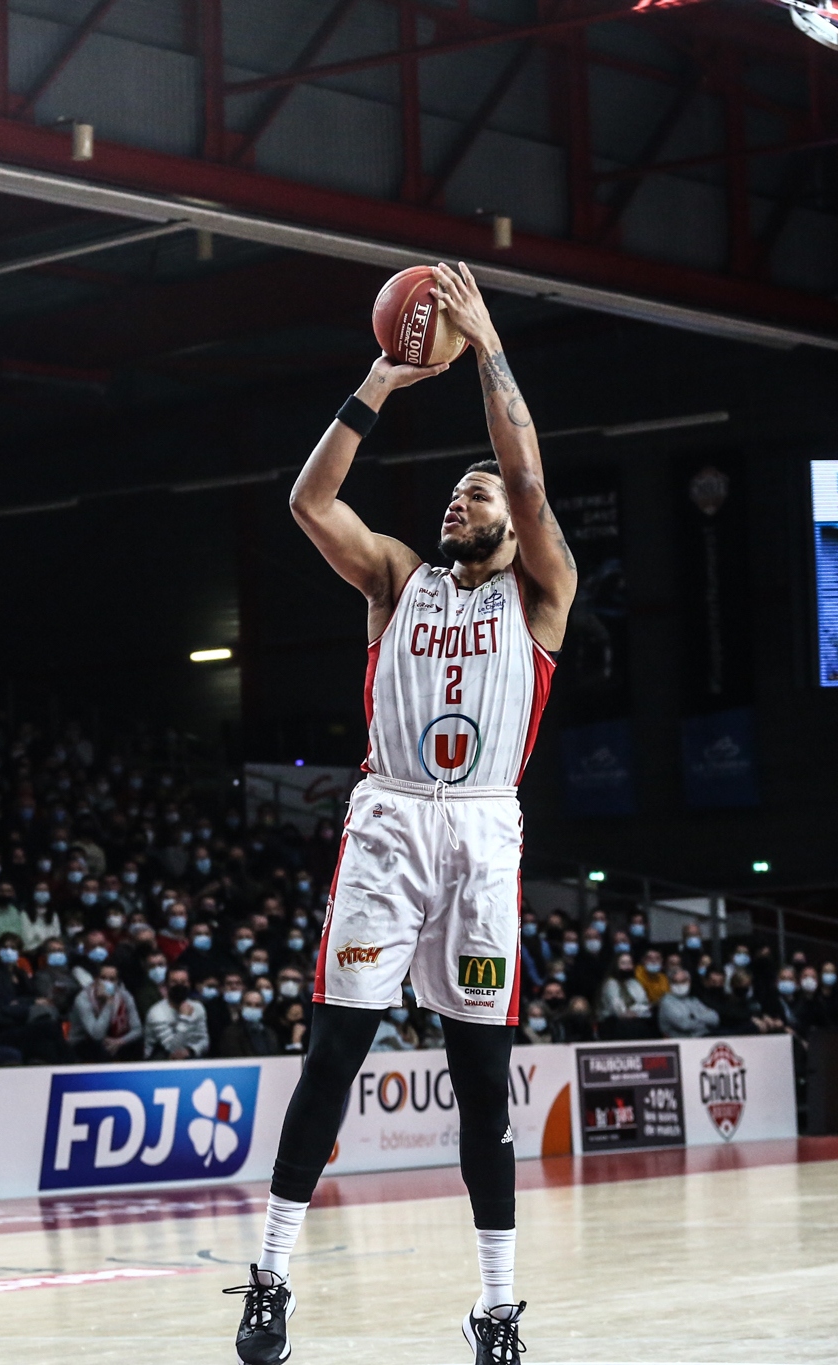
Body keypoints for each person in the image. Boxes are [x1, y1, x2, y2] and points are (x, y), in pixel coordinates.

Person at [232, 261, 576, 1365]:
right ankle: (271, 1277)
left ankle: (495, 1308)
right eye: (455, 492)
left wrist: (487, 350)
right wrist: (377, 383)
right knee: (333, 1054)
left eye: (474, 496)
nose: (460, 501)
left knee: (482, 1084)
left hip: (481, 833)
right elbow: (306, 503)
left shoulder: (541, 594)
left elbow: (525, 479)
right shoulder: (394, 578)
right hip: (388, 823)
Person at [656, 968, 717, 1038]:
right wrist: (704, 1020)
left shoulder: (693, 1000)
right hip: (679, 1042)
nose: (679, 984)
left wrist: (695, 1017)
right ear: (670, 984)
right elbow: (684, 1025)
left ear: (689, 982)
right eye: (675, 982)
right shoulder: (666, 1002)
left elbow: (715, 1019)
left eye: (683, 981)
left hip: (700, 1038)